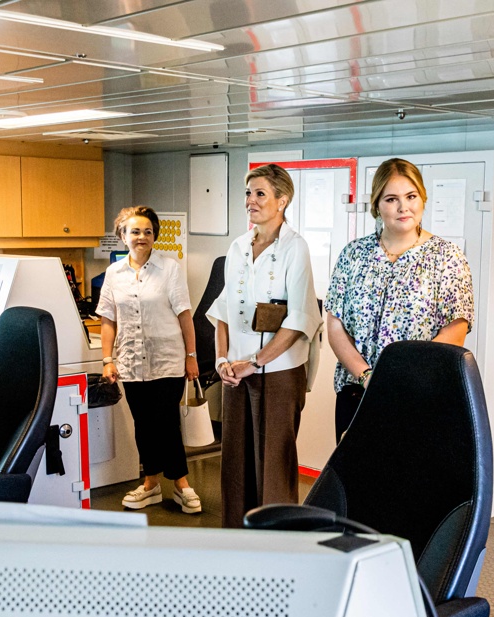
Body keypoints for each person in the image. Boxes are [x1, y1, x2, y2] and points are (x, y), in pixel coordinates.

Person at [325, 158, 474, 439]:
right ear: (377, 206)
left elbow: (456, 330)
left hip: (419, 397)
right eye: (392, 199)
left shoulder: (447, 257)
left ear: (423, 199)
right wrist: (369, 377)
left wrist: (401, 379)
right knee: (356, 482)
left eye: (411, 196)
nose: (403, 207)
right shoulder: (353, 255)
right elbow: (335, 327)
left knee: (410, 482)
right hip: (357, 394)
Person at [208, 164, 322, 529]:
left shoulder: (295, 248)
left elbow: (299, 319)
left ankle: (278, 536)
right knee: (236, 459)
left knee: (274, 460)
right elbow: (223, 310)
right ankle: (238, 535)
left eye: (260, 194)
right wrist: (223, 359)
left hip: (278, 371)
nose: (250, 201)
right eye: (248, 193)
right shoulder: (238, 247)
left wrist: (254, 362)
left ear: (282, 201)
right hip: (237, 371)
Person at [98, 206, 202, 513]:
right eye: (135, 231)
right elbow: (108, 319)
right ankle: (151, 483)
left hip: (167, 360)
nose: (141, 237)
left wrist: (191, 356)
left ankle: (182, 485)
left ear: (154, 236)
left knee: (166, 422)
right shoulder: (113, 274)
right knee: (144, 425)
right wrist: (108, 359)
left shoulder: (170, 269)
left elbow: (185, 316)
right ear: (122, 236)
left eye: (147, 231)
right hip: (130, 362)